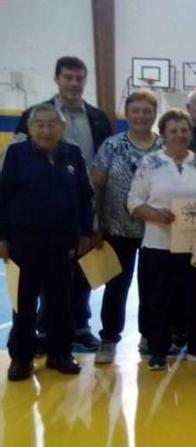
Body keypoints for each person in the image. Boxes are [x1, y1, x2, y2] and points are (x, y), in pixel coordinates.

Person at [15, 55, 114, 351]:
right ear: (56, 79)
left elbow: (105, 162)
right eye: (68, 77)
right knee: (46, 275)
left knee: (84, 268)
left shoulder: (97, 118)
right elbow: (17, 159)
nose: (74, 83)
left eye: (79, 78)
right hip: (41, 212)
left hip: (83, 203)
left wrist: (97, 216)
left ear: (85, 81)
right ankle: (47, 329)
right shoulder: (34, 113)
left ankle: (80, 325)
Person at [2, 104, 94, 381]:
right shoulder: (16, 154)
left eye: (52, 123)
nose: (46, 129)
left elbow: (84, 195)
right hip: (23, 242)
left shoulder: (73, 153)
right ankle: (21, 358)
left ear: (61, 127)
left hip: (62, 241)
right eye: (39, 124)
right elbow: (3, 197)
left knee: (60, 302)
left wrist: (86, 232)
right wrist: (2, 238)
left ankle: (60, 354)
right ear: (30, 128)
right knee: (24, 303)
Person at [128, 109, 196, 370]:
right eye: (174, 130)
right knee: (158, 299)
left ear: (190, 133)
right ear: (164, 134)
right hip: (158, 244)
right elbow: (134, 202)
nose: (180, 135)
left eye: (184, 130)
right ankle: (159, 351)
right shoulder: (150, 163)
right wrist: (157, 214)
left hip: (195, 243)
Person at [91, 89, 163, 364]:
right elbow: (97, 185)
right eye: (136, 111)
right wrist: (97, 224)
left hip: (154, 231)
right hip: (117, 228)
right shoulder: (112, 145)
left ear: (154, 114)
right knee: (116, 286)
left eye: (147, 111)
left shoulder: (163, 147)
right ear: (127, 113)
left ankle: (149, 335)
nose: (141, 116)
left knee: (152, 287)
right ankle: (109, 339)